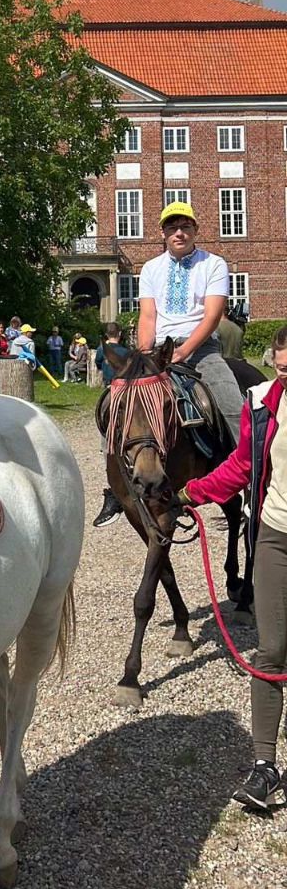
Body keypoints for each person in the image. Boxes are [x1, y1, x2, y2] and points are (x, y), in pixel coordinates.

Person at [178, 326, 287, 810]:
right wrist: (190, 492)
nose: (282, 376)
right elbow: (243, 464)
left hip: (202, 349)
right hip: (276, 534)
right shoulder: (262, 403)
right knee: (272, 650)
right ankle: (265, 766)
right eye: (279, 368)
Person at [137, 202, 244, 444]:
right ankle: (114, 464)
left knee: (232, 407)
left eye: (185, 227)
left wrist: (184, 351)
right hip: (159, 350)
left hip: (202, 351)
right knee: (119, 401)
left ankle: (248, 463)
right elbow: (148, 317)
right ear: (163, 233)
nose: (179, 233)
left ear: (196, 230)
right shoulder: (150, 268)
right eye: (172, 227)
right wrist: (144, 355)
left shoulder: (213, 264)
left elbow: (212, 316)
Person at [93, 324, 132, 528]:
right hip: (125, 387)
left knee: (105, 424)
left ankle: (113, 485)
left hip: (110, 387)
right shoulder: (126, 351)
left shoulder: (102, 349)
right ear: (120, 334)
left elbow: (98, 364)